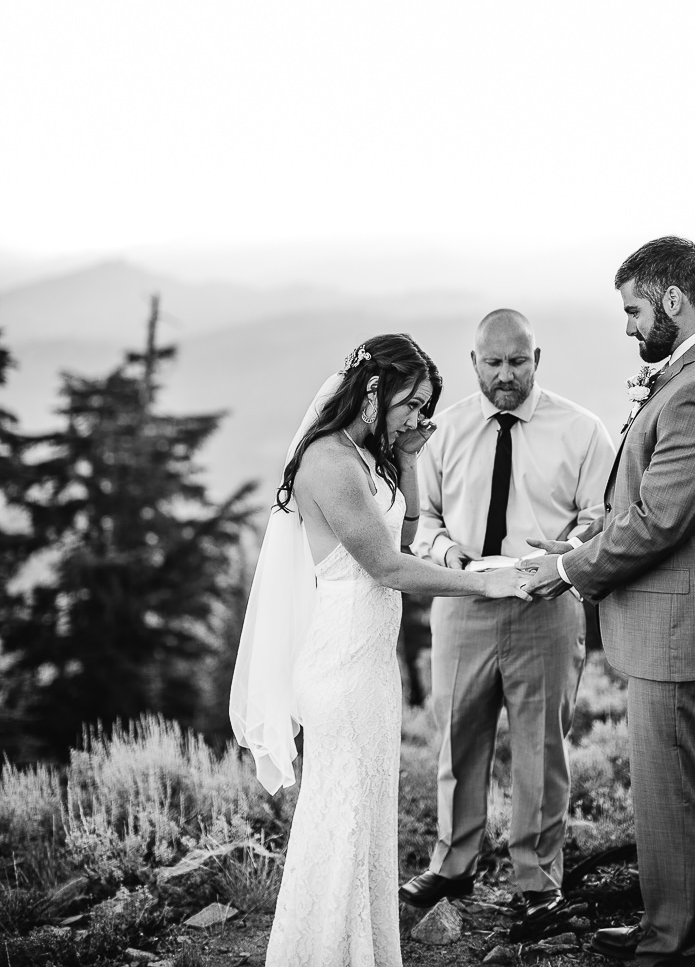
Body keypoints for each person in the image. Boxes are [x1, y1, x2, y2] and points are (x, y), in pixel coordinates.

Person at [229, 333, 534, 967]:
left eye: (425, 406)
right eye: (410, 404)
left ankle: (357, 949)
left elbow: (411, 526)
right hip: (338, 667)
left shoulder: (368, 455)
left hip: (371, 666)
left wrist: (410, 451)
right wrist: (485, 582)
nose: (417, 417)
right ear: (373, 391)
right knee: (338, 819)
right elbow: (389, 567)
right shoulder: (329, 463)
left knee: (367, 816)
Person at [525, 237, 695, 966]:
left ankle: (674, 948)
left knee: (680, 797)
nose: (628, 327)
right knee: (668, 796)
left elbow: (662, 521)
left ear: (671, 300)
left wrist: (568, 568)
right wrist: (602, 520)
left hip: (687, 628)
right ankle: (669, 924)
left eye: (633, 310)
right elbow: (658, 496)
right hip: (679, 622)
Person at [399, 310, 615, 923]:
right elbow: (426, 520)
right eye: (492, 363)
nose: (505, 375)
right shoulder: (443, 431)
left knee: (541, 746)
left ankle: (536, 880)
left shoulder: (581, 430)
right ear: (474, 364)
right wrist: (455, 559)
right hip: (463, 603)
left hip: (547, 605)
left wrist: (568, 553)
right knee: (458, 736)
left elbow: (600, 517)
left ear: (537, 360)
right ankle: (452, 865)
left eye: (517, 361)